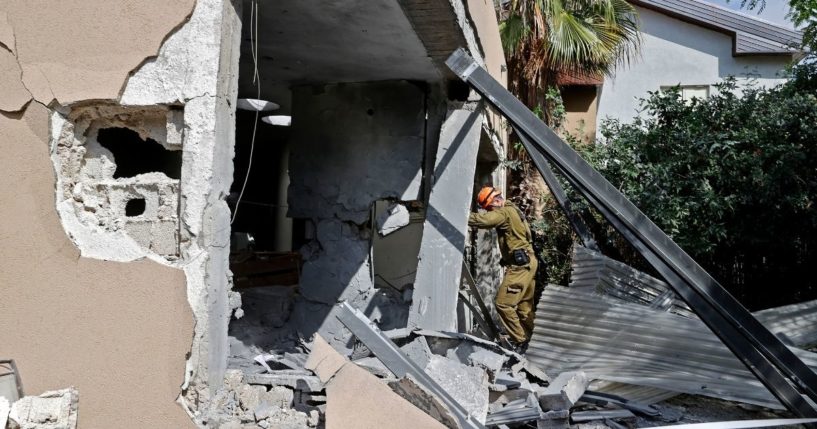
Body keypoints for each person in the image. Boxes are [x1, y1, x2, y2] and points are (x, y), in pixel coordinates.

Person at [468, 186, 538, 350]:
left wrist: (459, 213)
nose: (490, 211)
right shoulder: (514, 209)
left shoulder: (504, 212)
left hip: (520, 265)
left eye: (489, 208)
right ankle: (537, 342)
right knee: (524, 308)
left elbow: (483, 221)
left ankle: (522, 341)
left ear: (497, 200)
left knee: (503, 304)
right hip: (529, 261)